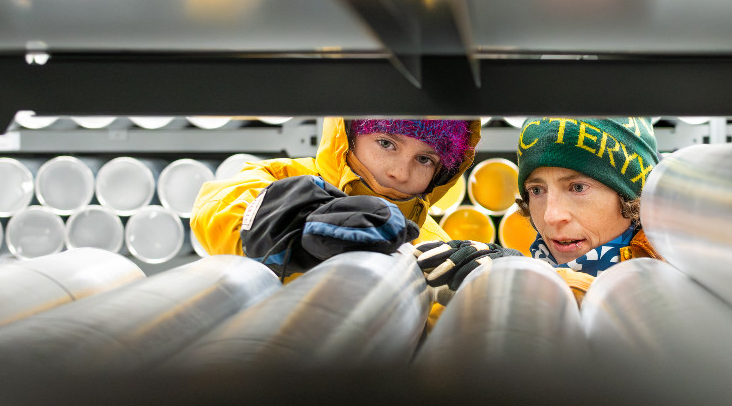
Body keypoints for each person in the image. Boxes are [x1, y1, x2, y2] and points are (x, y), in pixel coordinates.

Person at [191, 118, 481, 322]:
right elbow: (219, 208)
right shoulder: (286, 179)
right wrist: (289, 226)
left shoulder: (436, 249)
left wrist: (480, 295)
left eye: (424, 160)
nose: (400, 173)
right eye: (386, 143)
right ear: (349, 134)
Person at [415, 117, 661, 305]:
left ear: (632, 198)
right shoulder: (543, 268)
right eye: (536, 190)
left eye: (577, 187)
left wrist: (527, 280)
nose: (550, 216)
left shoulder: (679, 274)